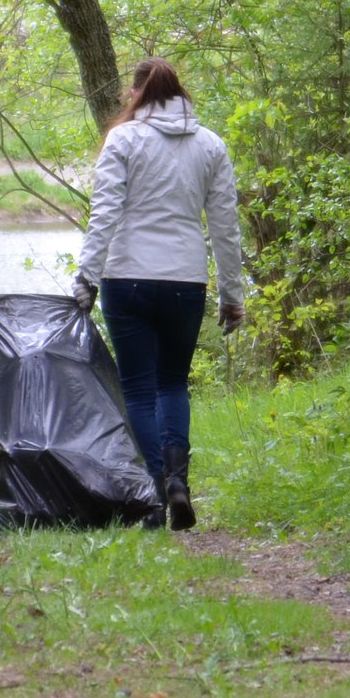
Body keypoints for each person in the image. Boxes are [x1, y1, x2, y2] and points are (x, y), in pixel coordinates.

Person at [73, 58, 248, 531]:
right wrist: (233, 295)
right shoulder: (210, 144)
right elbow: (225, 228)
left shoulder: (124, 139)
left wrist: (85, 279)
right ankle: (178, 482)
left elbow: (104, 213)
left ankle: (154, 494)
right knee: (173, 383)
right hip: (185, 281)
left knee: (137, 389)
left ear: (136, 95)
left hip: (126, 277)